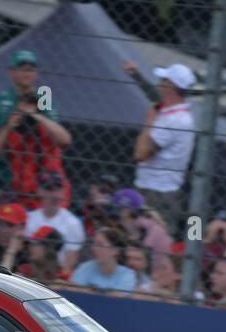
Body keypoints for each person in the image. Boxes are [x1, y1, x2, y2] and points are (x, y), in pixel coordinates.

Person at [0, 49, 72, 205]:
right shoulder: (6, 97)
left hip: (45, 182)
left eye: (31, 69)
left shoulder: (43, 94)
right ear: (12, 72)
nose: (27, 74)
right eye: (22, 69)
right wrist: (7, 125)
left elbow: (63, 138)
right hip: (14, 177)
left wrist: (36, 115)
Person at [133, 63, 195, 225]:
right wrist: (134, 74)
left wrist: (149, 122)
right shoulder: (175, 113)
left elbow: (141, 154)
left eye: (163, 80)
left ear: (171, 85)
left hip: (157, 193)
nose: (159, 83)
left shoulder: (175, 120)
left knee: (154, 242)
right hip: (156, 188)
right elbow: (153, 96)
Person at [25, 169, 84, 258]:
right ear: (39, 191)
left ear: (63, 192)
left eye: (58, 189)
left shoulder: (72, 223)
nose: (55, 195)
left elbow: (69, 262)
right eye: (50, 189)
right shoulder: (29, 218)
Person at [70, 227, 137, 291]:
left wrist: (87, 290)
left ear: (115, 250)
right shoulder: (84, 268)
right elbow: (73, 291)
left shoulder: (127, 274)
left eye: (100, 244)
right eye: (94, 244)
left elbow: (115, 299)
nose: (93, 248)